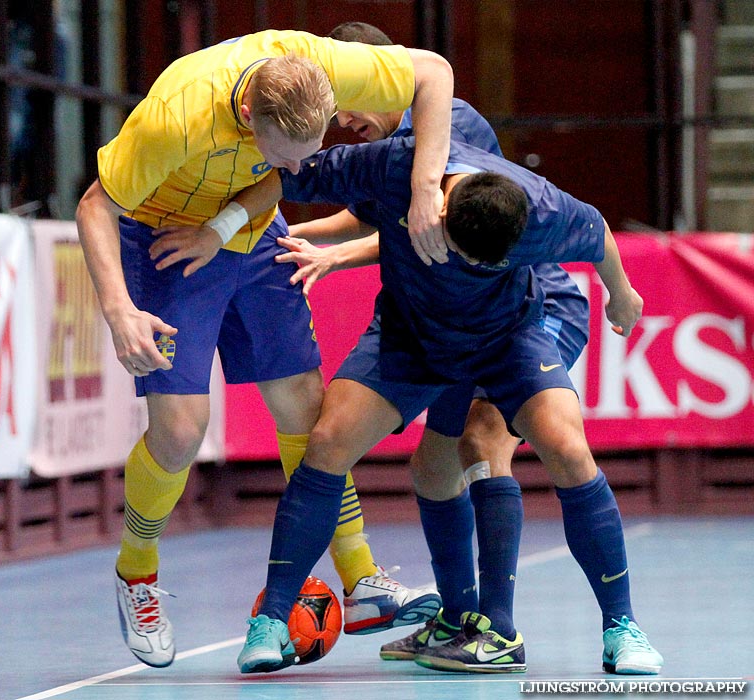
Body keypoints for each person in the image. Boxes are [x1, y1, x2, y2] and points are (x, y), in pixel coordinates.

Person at [74, 29, 453, 668]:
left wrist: (424, 187)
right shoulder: (177, 117)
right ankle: (136, 573)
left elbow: (434, 72)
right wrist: (119, 313)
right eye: (288, 154)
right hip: (165, 240)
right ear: (248, 115)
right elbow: (94, 206)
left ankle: (360, 580)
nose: (303, 169)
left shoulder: (323, 65)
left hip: (246, 234)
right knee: (178, 433)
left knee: (310, 412)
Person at [230, 135, 663, 676]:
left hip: (506, 336)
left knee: (568, 449)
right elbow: (285, 173)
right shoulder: (390, 166)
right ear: (437, 211)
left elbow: (596, 231)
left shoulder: (541, 209)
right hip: (412, 337)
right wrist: (220, 228)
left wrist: (619, 293)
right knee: (327, 441)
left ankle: (622, 627)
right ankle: (272, 619)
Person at [292, 21, 620, 672]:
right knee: (432, 468)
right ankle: (457, 617)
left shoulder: (452, 121)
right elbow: (385, 215)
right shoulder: (390, 144)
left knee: (484, 437)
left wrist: (333, 255)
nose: (340, 118)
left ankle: (499, 631)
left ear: (378, 71)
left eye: (343, 98)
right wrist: (322, 242)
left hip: (531, 304)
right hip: (462, 312)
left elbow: (442, 230)